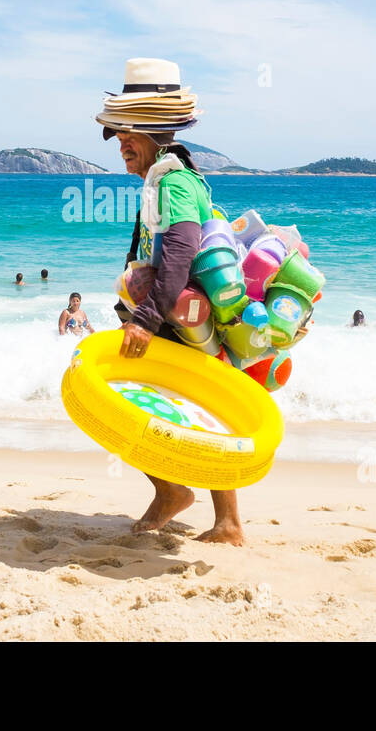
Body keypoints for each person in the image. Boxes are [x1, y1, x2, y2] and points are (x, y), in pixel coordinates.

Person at [99, 57, 245, 545]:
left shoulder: (173, 181)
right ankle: (208, 511)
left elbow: (180, 249)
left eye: (125, 133)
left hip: (175, 316)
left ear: (147, 130)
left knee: (133, 404)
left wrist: (144, 318)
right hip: (176, 312)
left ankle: (184, 498)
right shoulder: (166, 175)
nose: (119, 143)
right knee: (199, 410)